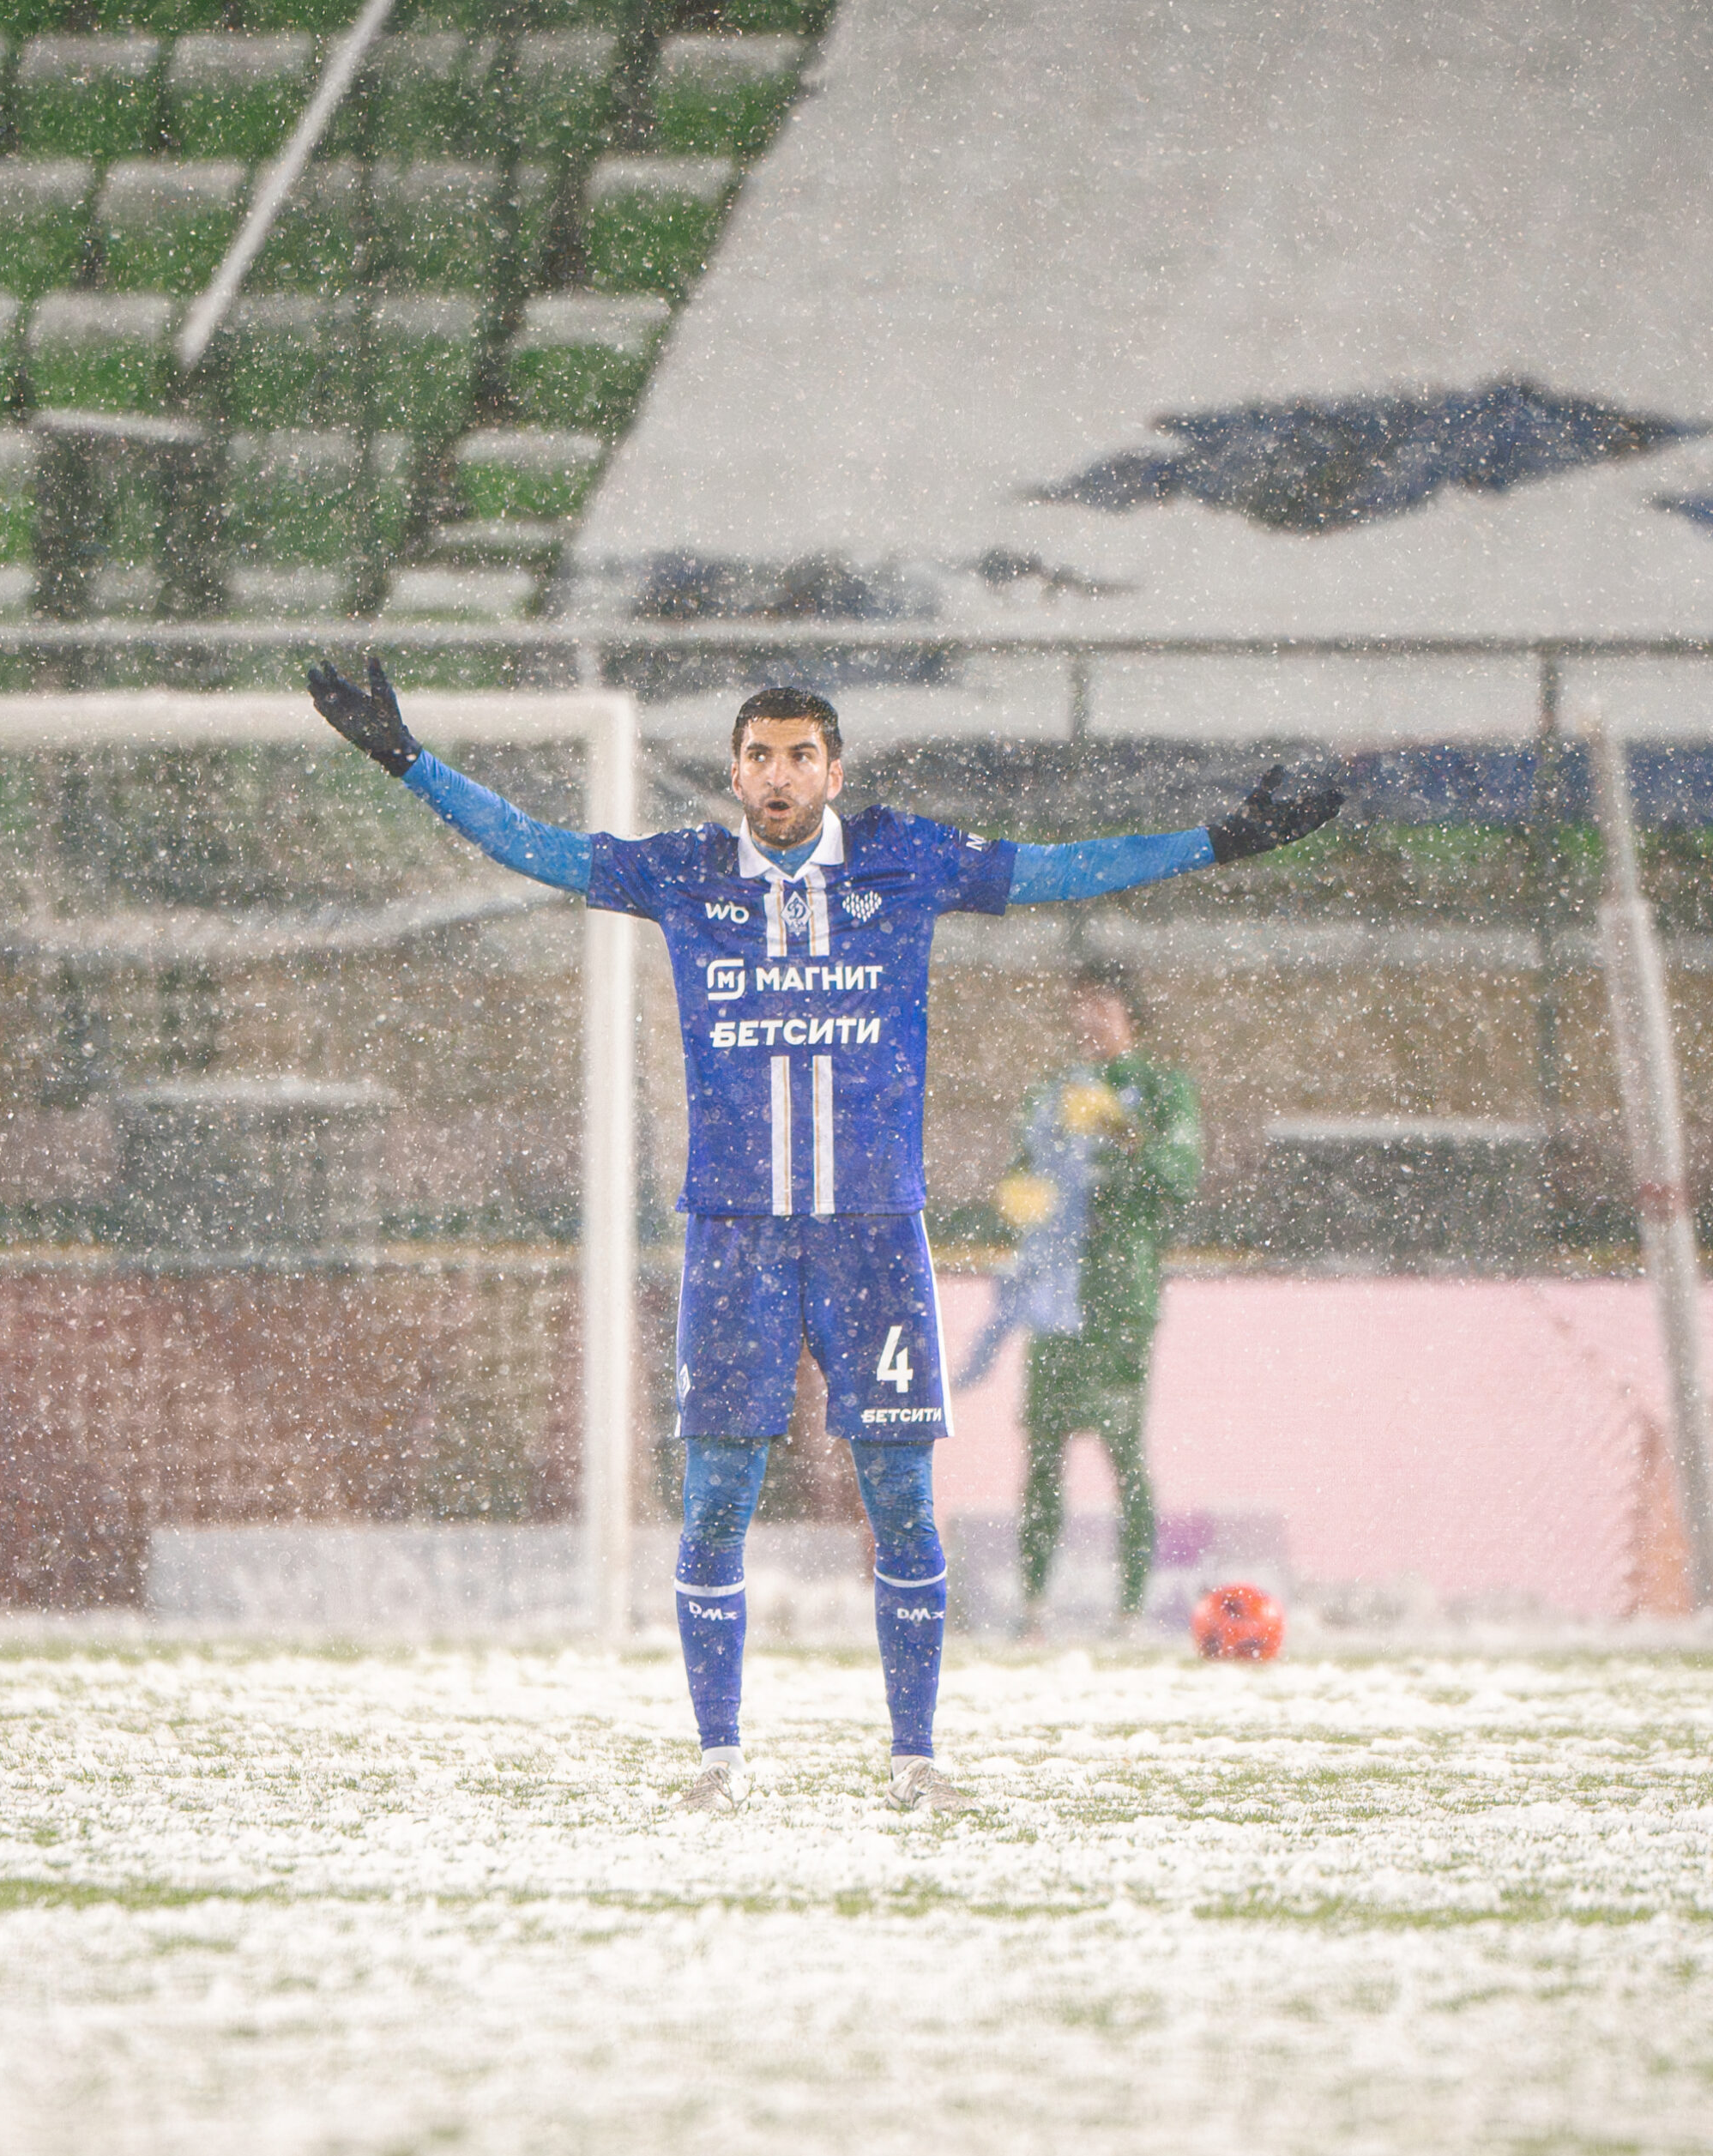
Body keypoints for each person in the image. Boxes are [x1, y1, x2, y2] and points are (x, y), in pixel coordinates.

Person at [305, 661, 1341, 1813]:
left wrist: (1220, 842)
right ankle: (716, 1763)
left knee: (900, 1499)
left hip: (873, 1237)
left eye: (801, 756)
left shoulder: (906, 860)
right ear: (734, 772)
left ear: (833, 772)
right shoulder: (687, 873)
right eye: (760, 756)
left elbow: (1059, 869)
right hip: (735, 1237)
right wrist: (407, 760)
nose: (780, 775)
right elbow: (539, 848)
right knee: (715, 1501)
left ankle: (915, 1761)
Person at [972, 963, 1200, 1640]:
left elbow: (1178, 1177)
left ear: (1132, 1015)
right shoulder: (1052, 1092)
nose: (1089, 1020)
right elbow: (1022, 1177)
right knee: (1042, 1450)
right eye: (1081, 1007)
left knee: (1123, 1449)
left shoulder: (1161, 1089)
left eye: (1102, 1006)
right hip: (1055, 1296)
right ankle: (1034, 1606)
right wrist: (1019, 1202)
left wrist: (1122, 1136)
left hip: (1120, 1295)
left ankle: (1130, 1608)